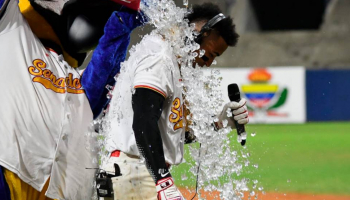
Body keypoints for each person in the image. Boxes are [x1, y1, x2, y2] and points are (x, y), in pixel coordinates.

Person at [100, 3, 249, 200]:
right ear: (199, 34)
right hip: (133, 173)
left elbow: (174, 134)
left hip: (137, 172)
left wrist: (221, 122)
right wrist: (163, 181)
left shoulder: (171, 58)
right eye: (211, 54)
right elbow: (143, 123)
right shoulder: (159, 58)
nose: (209, 62)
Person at [0, 0, 144, 199]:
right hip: (11, 172)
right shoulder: (11, 30)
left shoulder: (74, 78)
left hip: (65, 191)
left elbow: (101, 78)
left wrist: (124, 20)